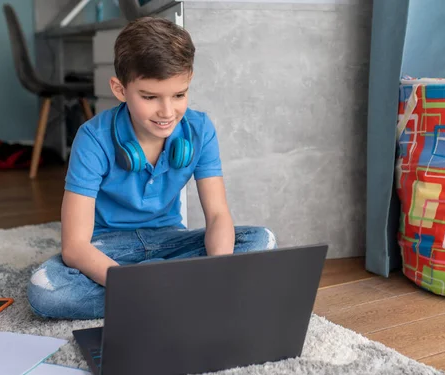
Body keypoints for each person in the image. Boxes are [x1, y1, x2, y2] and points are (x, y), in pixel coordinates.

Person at [27, 17, 277, 320]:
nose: (167, 112)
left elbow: (217, 215)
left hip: (170, 240)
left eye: (179, 95)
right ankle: (173, 290)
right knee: (46, 291)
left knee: (261, 240)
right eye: (149, 97)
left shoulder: (200, 130)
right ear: (120, 89)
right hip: (108, 249)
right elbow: (75, 247)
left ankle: (160, 290)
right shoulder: (93, 138)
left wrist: (218, 271)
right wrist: (132, 283)